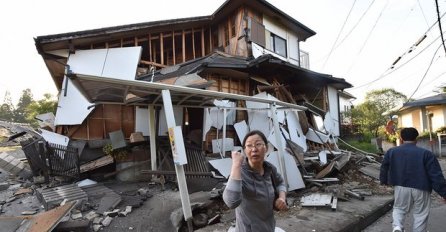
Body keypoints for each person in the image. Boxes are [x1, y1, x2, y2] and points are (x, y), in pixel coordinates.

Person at [379, 127, 446, 232]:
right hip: (422, 187)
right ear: (416, 138)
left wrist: (383, 181)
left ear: (401, 138)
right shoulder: (426, 154)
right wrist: (444, 193)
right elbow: (436, 175)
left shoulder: (391, 152)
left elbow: (384, 168)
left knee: (399, 208)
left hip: (400, 186)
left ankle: (397, 227)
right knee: (420, 213)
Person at [223, 130, 288, 232]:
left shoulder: (269, 169)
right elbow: (231, 202)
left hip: (269, 227)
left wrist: (281, 198)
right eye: (249, 145)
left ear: (266, 148)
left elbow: (280, 183)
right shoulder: (239, 173)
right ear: (244, 151)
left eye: (258, 144)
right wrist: (236, 164)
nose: (254, 149)